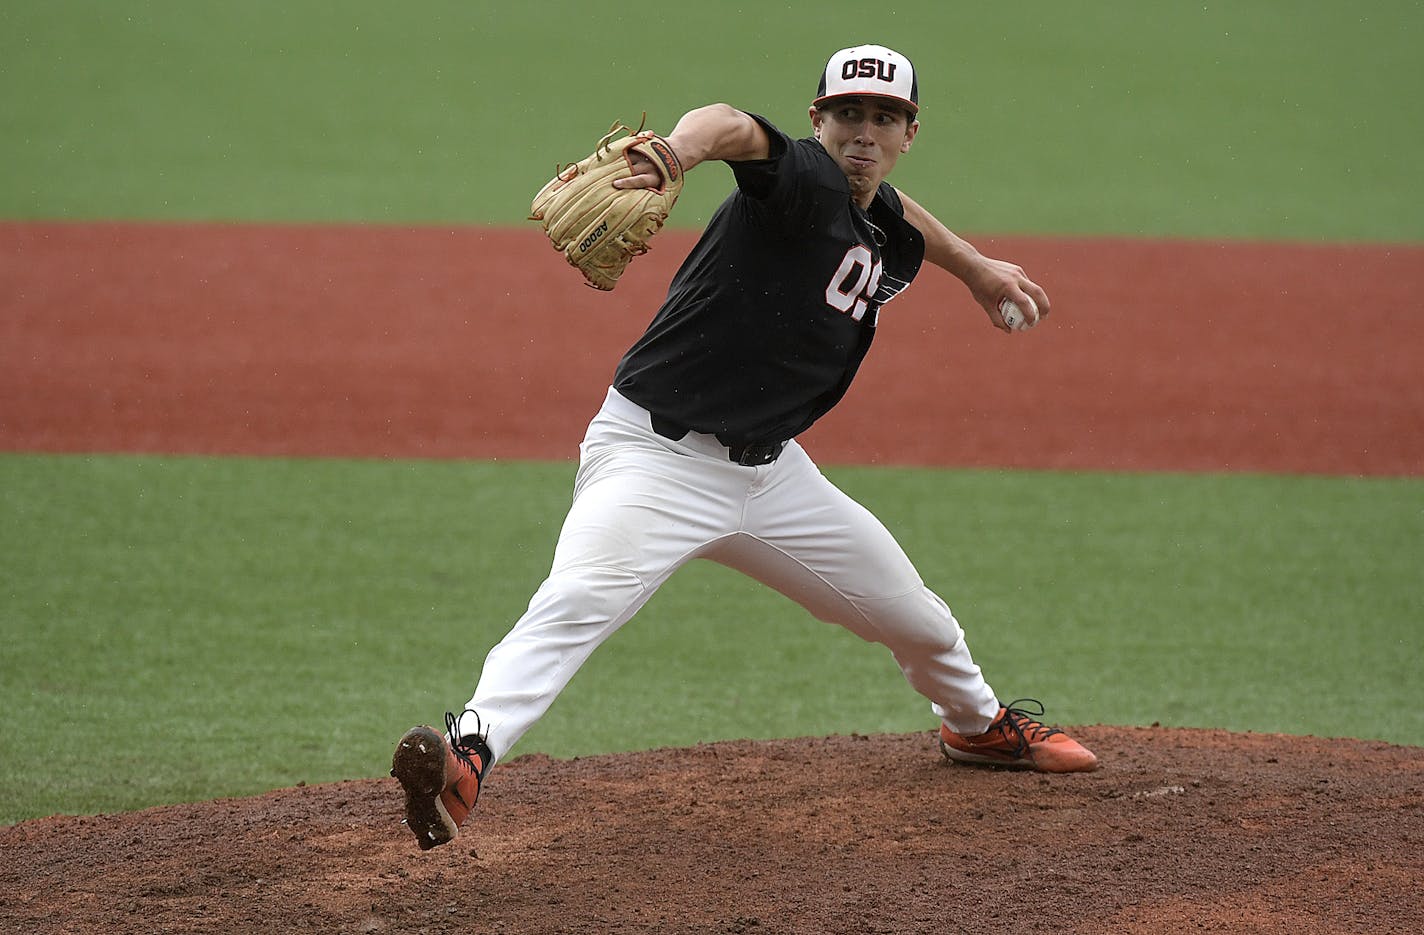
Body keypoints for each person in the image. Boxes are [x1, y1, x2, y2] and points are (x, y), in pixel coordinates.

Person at [391, 43, 1097, 852]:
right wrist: (673, 152)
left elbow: (900, 213)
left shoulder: (879, 215)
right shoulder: (801, 180)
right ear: (816, 121)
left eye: (884, 118)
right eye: (847, 114)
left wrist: (973, 268)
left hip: (773, 478)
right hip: (654, 460)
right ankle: (467, 759)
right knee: (574, 601)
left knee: (919, 618)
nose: (863, 132)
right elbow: (727, 125)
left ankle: (974, 727)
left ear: (909, 132)